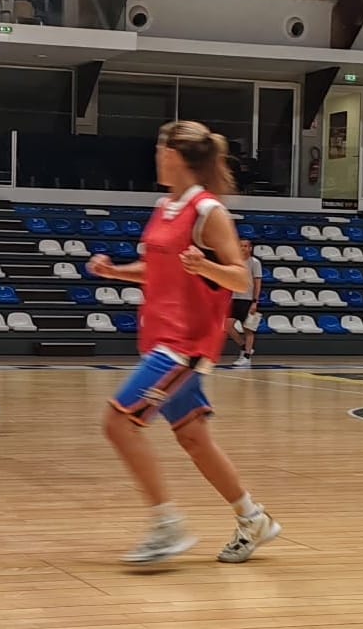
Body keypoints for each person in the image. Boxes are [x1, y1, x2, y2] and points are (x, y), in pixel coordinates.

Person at [88, 120, 280, 565]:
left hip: (185, 346)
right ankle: (253, 519)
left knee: (118, 423)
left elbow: (238, 278)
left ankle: (166, 525)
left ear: (174, 155)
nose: (156, 156)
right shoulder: (165, 206)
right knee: (194, 439)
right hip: (159, 338)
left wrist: (204, 267)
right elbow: (159, 269)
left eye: (160, 149)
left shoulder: (209, 211)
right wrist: (116, 271)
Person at [225, 238, 262, 367]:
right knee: (227, 325)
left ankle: (246, 356)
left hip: (248, 299)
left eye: (245, 246)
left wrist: (255, 301)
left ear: (250, 248)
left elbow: (257, 283)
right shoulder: (234, 262)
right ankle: (244, 347)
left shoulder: (255, 263)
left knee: (248, 329)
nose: (242, 248)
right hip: (234, 298)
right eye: (240, 246)